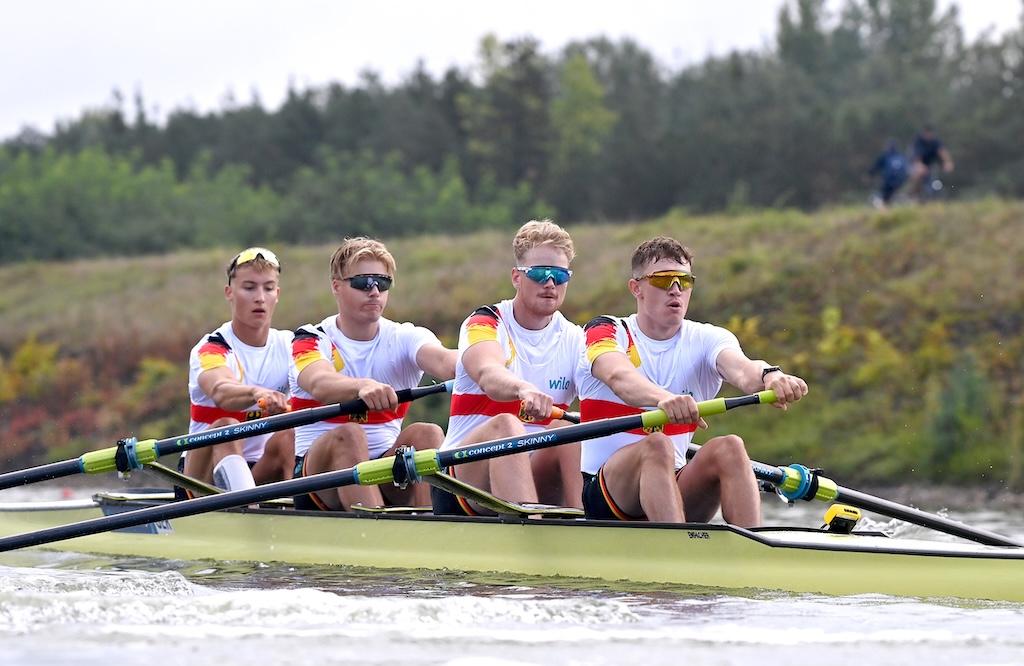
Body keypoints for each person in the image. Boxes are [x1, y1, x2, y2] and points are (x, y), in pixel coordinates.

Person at [576, 236, 808, 527]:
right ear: (636, 288)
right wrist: (663, 399)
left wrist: (771, 376)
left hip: (672, 487)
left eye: (684, 281)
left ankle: (754, 546)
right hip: (608, 494)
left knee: (730, 447)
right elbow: (618, 376)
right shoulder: (606, 329)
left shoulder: (708, 338)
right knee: (656, 445)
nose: (675, 289)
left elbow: (744, 371)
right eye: (663, 280)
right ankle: (678, 546)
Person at [288, 237, 456, 511]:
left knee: (427, 433)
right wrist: (361, 386)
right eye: (363, 283)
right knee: (350, 434)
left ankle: (432, 524)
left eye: (383, 282)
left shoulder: (405, 337)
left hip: (386, 474)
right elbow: (319, 382)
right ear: (336, 286)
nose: (375, 291)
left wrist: (489, 364)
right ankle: (377, 523)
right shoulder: (310, 339)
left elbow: (447, 362)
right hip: (318, 479)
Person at [433, 220, 585, 515]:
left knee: (568, 430)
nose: (550, 284)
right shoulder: (484, 323)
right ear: (517, 277)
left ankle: (590, 531)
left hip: (532, 470)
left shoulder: (576, 339)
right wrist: (522, 389)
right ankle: (532, 529)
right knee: (507, 424)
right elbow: (487, 373)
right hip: (464, 478)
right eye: (539, 273)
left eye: (559, 275)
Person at [182, 247, 295, 496]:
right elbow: (221, 390)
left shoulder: (290, 345)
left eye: (268, 288)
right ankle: (248, 511)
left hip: (260, 470)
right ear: (229, 293)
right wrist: (256, 393)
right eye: (249, 288)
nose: (260, 298)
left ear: (277, 294)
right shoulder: (211, 348)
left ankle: (299, 512)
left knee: (289, 434)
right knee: (227, 426)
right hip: (201, 476)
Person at [908, 126, 954, 200]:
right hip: (916, 164)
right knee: (918, 174)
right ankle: (913, 195)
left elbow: (942, 152)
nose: (929, 136)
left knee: (934, 178)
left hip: (930, 165)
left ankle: (937, 195)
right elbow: (917, 157)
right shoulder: (918, 141)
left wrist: (947, 162)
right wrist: (920, 166)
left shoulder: (935, 141)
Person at [869, 139, 909, 209]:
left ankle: (884, 207)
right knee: (891, 196)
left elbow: (875, 167)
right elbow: (906, 169)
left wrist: (869, 175)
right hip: (901, 181)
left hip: (888, 182)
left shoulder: (885, 156)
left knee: (883, 197)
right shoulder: (901, 156)